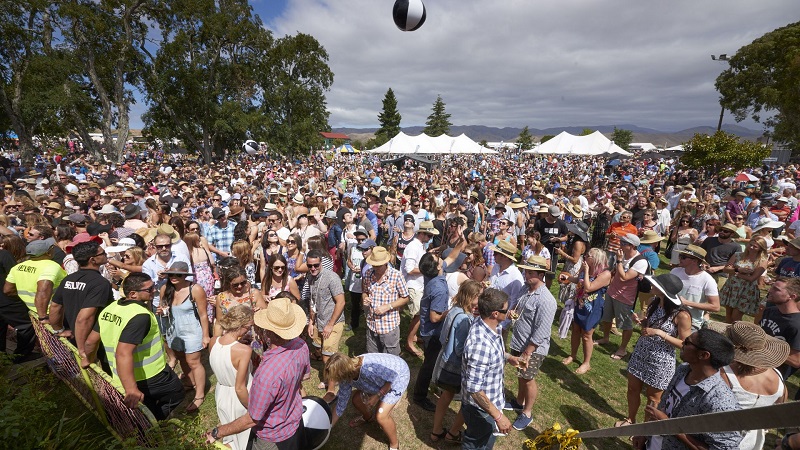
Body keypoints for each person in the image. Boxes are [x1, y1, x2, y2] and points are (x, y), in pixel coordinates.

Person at [206, 297, 310, 449]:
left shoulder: (267, 373)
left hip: (272, 436)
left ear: (268, 332)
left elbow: (252, 418)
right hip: (294, 422)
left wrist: (217, 432)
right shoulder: (301, 346)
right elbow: (305, 377)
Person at [83, 273, 185, 420]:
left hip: (120, 375)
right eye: (149, 289)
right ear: (133, 294)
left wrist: (89, 359)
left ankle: (146, 424)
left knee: (146, 405)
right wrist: (131, 390)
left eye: (154, 287)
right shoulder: (140, 316)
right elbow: (123, 353)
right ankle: (155, 423)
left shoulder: (110, 308)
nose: (154, 291)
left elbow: (90, 342)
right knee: (177, 394)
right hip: (152, 376)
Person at [632, 328, 741, 450]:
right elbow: (664, 408)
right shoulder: (683, 370)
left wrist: (670, 426)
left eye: (688, 342)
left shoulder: (720, 402)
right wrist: (646, 433)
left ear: (703, 355)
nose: (682, 343)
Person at [617, 273, 692, 428]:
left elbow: (686, 344)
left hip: (661, 361)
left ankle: (644, 430)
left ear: (663, 290)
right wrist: (642, 321)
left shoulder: (681, 315)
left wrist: (660, 333)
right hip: (641, 352)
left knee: (653, 399)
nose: (651, 285)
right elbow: (650, 324)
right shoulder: (653, 302)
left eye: (655, 284)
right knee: (632, 389)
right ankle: (631, 419)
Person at [708, 320, 789, 450]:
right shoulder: (777, 375)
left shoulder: (723, 374)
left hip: (718, 439)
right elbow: (779, 406)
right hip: (752, 442)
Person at [460, 288, 525, 450]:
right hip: (480, 410)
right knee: (474, 444)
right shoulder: (480, 345)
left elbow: (493, 350)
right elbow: (474, 389)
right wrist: (498, 416)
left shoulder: (489, 325)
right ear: (495, 313)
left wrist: (509, 357)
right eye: (506, 309)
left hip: (490, 404)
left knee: (486, 440)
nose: (509, 312)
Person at [505, 255, 557, 430]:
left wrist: (528, 352)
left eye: (530, 272)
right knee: (521, 374)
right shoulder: (525, 289)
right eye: (525, 271)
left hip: (533, 348)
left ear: (541, 275)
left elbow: (542, 330)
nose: (526, 275)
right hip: (519, 342)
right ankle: (519, 402)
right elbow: (516, 306)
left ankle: (527, 413)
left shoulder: (547, 300)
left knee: (528, 378)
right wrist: (512, 311)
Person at [413, 237, 465, 412]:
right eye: (438, 259)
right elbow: (435, 317)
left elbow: (450, 257)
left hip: (429, 330)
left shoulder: (433, 274)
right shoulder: (440, 289)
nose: (440, 257)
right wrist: (452, 310)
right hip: (433, 333)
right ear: (437, 267)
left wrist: (460, 242)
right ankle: (420, 396)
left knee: (431, 362)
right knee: (429, 364)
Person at [430, 280, 482, 444]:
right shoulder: (465, 320)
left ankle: (436, 431)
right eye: (479, 297)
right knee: (468, 402)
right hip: (456, 367)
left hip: (445, 359)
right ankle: (453, 434)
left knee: (445, 396)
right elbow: (461, 350)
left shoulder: (454, 310)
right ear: (472, 296)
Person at [48, 241, 114, 370]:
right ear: (93, 260)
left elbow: (55, 306)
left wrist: (58, 330)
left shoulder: (68, 279)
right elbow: (84, 318)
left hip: (75, 336)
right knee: (107, 374)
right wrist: (84, 351)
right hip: (96, 342)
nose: (106, 255)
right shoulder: (100, 283)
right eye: (103, 253)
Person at [324, 352, 410, 450]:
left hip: (398, 376)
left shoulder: (369, 367)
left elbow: (392, 378)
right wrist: (328, 428)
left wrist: (377, 396)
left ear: (343, 373)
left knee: (381, 416)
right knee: (357, 400)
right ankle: (368, 418)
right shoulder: (346, 377)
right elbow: (341, 404)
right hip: (380, 382)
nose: (335, 381)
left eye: (336, 378)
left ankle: (395, 444)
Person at [158, 262, 210, 412]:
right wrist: (161, 311)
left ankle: (199, 395)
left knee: (193, 362)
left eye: (178, 275)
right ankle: (189, 382)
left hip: (191, 331)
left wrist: (205, 335)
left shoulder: (195, 289)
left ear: (185, 275)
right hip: (173, 331)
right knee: (181, 358)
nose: (174, 277)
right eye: (171, 275)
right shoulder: (165, 288)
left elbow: (203, 315)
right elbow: (164, 309)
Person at [595, 233, 649, 360]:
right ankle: (606, 337)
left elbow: (625, 277)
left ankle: (623, 349)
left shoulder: (640, 261)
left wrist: (619, 261)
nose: (620, 244)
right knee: (607, 318)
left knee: (626, 324)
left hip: (626, 297)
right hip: (612, 291)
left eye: (623, 243)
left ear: (632, 246)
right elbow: (615, 271)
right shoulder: (622, 254)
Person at [208, 304, 254, 450]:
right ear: (243, 326)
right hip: (239, 400)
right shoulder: (244, 351)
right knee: (243, 440)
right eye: (249, 327)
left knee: (230, 437)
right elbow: (240, 388)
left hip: (221, 394)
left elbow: (223, 359)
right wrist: (252, 408)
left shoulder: (213, 341)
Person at [562, 247, 612, 374]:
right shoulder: (585, 268)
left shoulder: (605, 274)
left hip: (593, 308)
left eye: (588, 255)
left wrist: (587, 270)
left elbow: (589, 288)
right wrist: (566, 278)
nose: (585, 256)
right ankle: (572, 355)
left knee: (586, 335)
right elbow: (577, 279)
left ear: (595, 259)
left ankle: (586, 363)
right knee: (575, 330)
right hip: (580, 303)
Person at [304, 249, 345, 395]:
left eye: (316, 265)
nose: (313, 268)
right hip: (318, 321)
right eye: (310, 266)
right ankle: (332, 376)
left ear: (321, 263)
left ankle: (332, 390)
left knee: (328, 357)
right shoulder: (310, 277)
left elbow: (341, 302)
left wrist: (330, 324)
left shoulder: (332, 278)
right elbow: (312, 301)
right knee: (318, 350)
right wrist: (311, 322)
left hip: (333, 322)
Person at [4, 239, 67, 323]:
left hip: (33, 311)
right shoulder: (51, 266)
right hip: (54, 313)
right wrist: (43, 317)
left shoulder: (17, 267)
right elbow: (43, 291)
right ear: (48, 253)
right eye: (52, 248)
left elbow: (7, 290)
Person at [362, 246, 409, 356]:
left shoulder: (396, 276)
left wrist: (388, 306)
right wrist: (365, 298)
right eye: (374, 265)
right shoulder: (368, 274)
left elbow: (405, 297)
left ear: (385, 263)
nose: (376, 268)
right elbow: (364, 291)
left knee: (391, 358)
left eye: (378, 266)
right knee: (373, 357)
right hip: (372, 324)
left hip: (389, 325)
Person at [400, 219, 437, 358]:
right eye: (429, 236)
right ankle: (409, 343)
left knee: (420, 314)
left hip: (418, 284)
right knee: (418, 315)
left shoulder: (420, 245)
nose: (430, 238)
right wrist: (429, 270)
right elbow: (409, 269)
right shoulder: (413, 247)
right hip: (412, 285)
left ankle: (413, 337)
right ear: (421, 234)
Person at [759, 278, 800, 382]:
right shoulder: (769, 311)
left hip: (772, 377)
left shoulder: (796, 324)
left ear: (792, 296)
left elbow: (796, 361)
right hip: (755, 362)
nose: (769, 291)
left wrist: (763, 346)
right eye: (772, 287)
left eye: (776, 289)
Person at [720, 236, 769, 323]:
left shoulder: (762, 261)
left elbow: (752, 279)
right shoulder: (738, 255)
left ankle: (736, 334)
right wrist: (738, 270)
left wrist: (736, 273)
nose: (751, 247)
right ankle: (726, 334)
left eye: (755, 246)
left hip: (747, 290)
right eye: (750, 244)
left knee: (736, 317)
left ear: (761, 249)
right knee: (728, 315)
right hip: (732, 286)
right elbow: (725, 269)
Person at [671, 245, 720, 330]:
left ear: (694, 261)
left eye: (683, 257)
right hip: (669, 318)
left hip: (692, 323)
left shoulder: (708, 280)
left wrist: (687, 303)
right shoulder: (675, 271)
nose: (679, 258)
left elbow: (716, 307)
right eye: (680, 256)